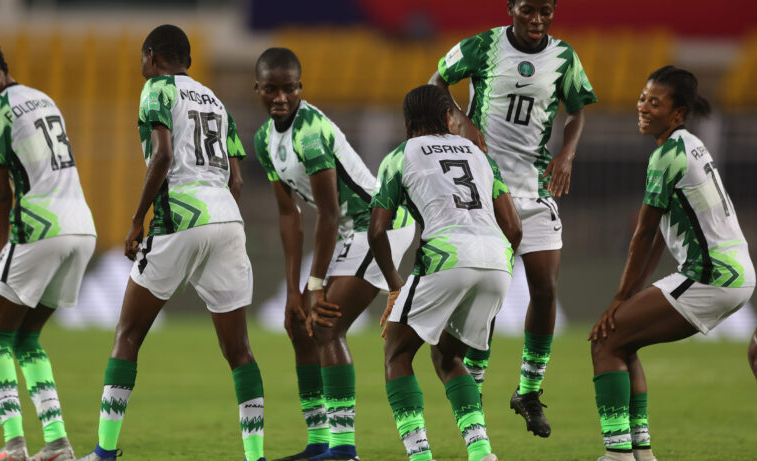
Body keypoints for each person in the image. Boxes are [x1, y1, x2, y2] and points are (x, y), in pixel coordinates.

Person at [76, 25, 264, 461]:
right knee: (239, 352)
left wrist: (136, 219)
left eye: (143, 59)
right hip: (227, 219)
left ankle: (104, 453)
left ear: (152, 57)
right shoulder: (217, 102)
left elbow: (162, 155)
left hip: (179, 214)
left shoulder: (156, 90)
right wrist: (219, 220)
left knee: (128, 334)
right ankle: (255, 456)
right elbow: (237, 178)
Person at [428, 0, 597, 437]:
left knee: (545, 289)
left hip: (535, 190)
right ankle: (477, 386)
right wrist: (460, 121)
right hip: (485, 189)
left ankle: (528, 390)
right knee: (488, 290)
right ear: (511, 8)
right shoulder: (483, 46)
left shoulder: (564, 57)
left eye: (545, 10)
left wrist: (567, 153)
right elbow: (436, 83)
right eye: (528, 10)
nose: (537, 19)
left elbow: (578, 110)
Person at [253, 47, 415, 461]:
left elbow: (328, 211)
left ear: (300, 88)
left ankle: (343, 450)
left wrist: (315, 286)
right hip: (348, 230)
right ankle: (319, 442)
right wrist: (294, 291)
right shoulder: (263, 140)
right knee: (301, 327)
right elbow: (290, 215)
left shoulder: (309, 131)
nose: (281, 97)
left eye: (289, 88)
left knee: (325, 327)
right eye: (271, 89)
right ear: (257, 88)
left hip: (378, 224)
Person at [589, 65, 755, 461]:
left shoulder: (667, 155)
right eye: (643, 98)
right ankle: (640, 453)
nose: (643, 107)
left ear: (677, 113)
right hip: (733, 271)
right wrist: (627, 299)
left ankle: (618, 456)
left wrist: (619, 297)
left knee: (605, 340)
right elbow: (662, 236)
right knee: (625, 341)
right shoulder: (690, 144)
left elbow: (643, 234)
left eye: (655, 102)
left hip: (711, 275)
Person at [0, 34, 97, 461]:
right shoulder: (43, 98)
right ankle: (57, 443)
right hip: (81, 227)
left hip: (40, 227)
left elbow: (0, 195)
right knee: (28, 338)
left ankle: (14, 446)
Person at [368, 84, 521, 461]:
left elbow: (376, 231)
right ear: (448, 118)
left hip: (447, 258)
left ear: (407, 122)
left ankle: (420, 455)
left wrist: (394, 286)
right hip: (497, 261)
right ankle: (482, 451)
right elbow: (515, 228)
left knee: (397, 355)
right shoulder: (481, 155)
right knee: (448, 358)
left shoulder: (401, 155)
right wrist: (491, 264)